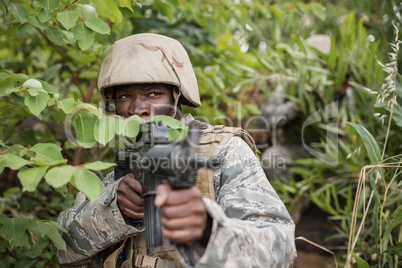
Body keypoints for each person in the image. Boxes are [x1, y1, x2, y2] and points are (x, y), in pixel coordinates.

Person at [56, 33, 297, 268]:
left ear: (177, 95)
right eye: (125, 95)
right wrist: (115, 209)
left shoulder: (224, 152)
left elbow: (280, 250)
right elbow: (63, 250)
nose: (138, 108)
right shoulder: (123, 167)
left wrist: (209, 231)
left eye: (153, 93)